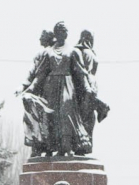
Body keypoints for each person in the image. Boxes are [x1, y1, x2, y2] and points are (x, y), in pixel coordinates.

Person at [22, 21, 90, 156]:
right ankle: (52, 147)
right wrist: (30, 88)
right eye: (60, 31)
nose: (63, 33)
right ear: (56, 33)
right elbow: (40, 74)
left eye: (64, 31)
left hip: (67, 85)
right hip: (51, 87)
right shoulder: (48, 52)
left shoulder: (73, 51)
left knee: (66, 113)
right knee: (51, 116)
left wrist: (87, 87)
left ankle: (68, 146)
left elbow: (80, 72)